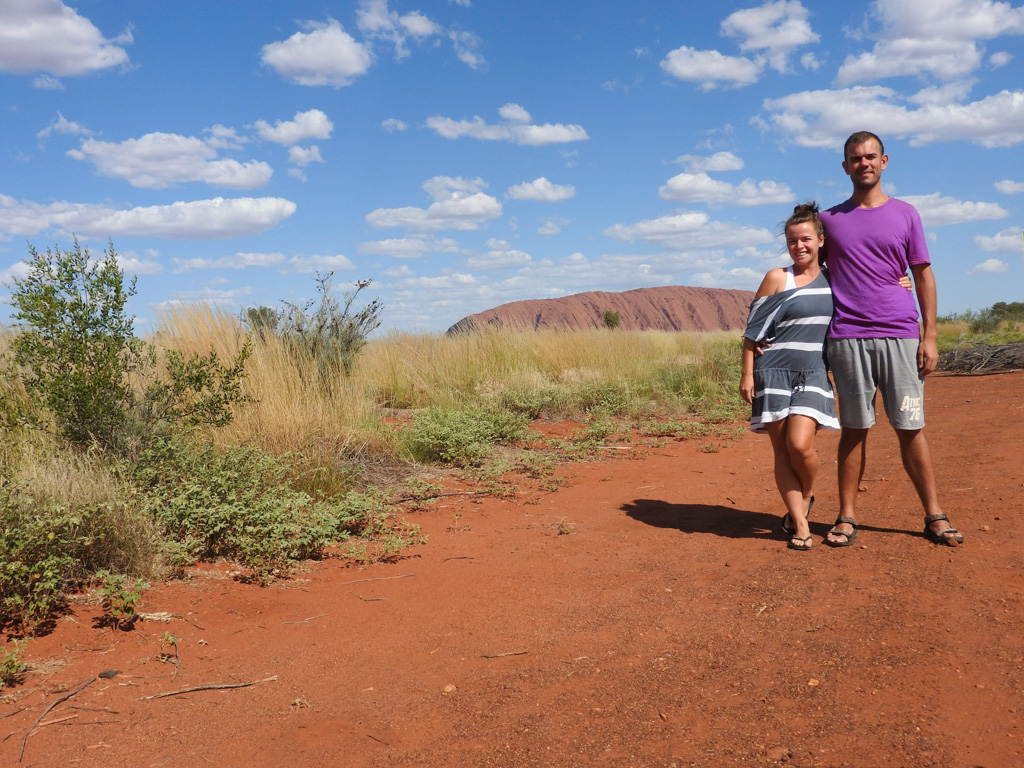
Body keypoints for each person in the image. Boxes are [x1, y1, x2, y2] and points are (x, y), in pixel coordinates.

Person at [820, 131, 963, 548]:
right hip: (847, 338)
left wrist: (929, 335)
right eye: (854, 158)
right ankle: (846, 516)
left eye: (870, 156)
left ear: (884, 162)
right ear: (845, 166)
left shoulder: (906, 214)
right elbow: (812, 267)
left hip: (900, 336)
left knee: (911, 427)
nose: (863, 163)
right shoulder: (829, 220)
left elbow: (921, 273)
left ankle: (934, 515)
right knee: (853, 428)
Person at [741, 203, 838, 551]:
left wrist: (901, 281)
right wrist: (747, 375)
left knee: (801, 445)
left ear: (821, 240)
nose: (799, 246)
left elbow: (870, 290)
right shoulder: (777, 278)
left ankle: (807, 495)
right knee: (782, 453)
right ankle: (800, 522)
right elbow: (752, 332)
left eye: (806, 239)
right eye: (792, 240)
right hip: (773, 371)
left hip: (812, 370)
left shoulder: (836, 276)